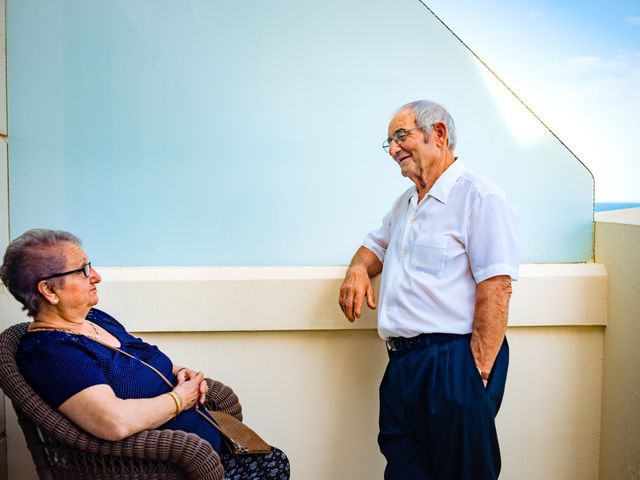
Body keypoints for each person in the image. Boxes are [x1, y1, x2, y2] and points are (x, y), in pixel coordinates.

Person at [0, 229, 290, 480]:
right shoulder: (53, 353)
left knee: (272, 458)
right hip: (153, 468)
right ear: (49, 289)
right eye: (83, 270)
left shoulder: (95, 319)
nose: (97, 276)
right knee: (273, 463)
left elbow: (141, 360)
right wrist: (179, 399)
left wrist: (181, 373)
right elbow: (112, 421)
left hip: (197, 458)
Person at [338, 100, 519, 479]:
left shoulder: (479, 197)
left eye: (401, 136)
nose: (393, 149)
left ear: (438, 134)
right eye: (388, 142)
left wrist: (477, 375)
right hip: (402, 366)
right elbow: (375, 247)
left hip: (452, 361)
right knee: (405, 470)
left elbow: (497, 286)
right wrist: (357, 269)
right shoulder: (406, 204)